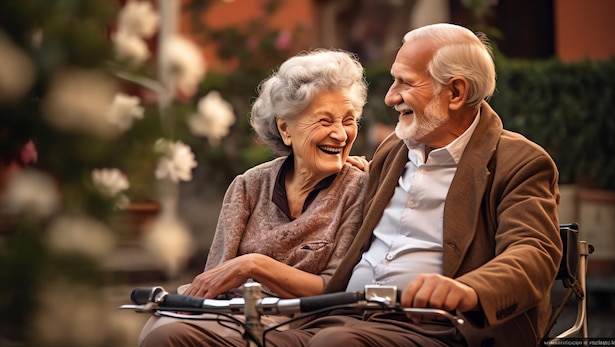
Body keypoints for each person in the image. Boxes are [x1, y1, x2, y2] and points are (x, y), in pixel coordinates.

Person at [159, 23, 563, 347]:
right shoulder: (393, 152)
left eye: (405, 83)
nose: (390, 98)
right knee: (170, 334)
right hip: (338, 314)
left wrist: (468, 290)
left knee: (336, 342)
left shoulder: (519, 162)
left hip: (437, 326)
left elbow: (535, 252)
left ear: (455, 92)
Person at [138, 48, 369, 345]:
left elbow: (335, 287)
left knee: (170, 336)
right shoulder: (249, 185)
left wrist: (254, 265)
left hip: (306, 327)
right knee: (162, 327)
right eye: (325, 121)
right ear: (286, 128)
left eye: (348, 120)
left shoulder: (357, 188)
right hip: (233, 318)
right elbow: (216, 280)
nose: (340, 134)